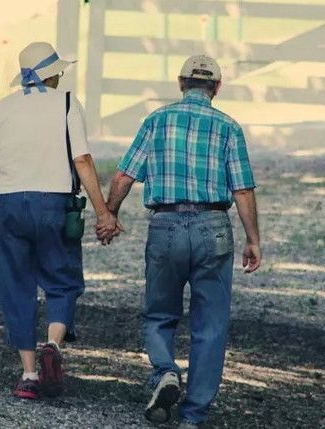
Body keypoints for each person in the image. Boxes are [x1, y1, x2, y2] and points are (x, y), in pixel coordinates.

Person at [104, 54, 261, 428]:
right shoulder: (229, 127)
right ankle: (193, 416)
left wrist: (109, 214)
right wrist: (253, 239)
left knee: (159, 313)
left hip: (166, 224)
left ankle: (164, 373)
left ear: (180, 83)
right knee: (211, 324)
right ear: (217, 88)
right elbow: (242, 190)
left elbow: (124, 176)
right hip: (213, 226)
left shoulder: (156, 121)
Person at [0, 41, 119, 400]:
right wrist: (103, 212)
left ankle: (30, 375)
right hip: (54, 203)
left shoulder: (2, 108)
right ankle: (53, 344)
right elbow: (82, 161)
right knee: (62, 280)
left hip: (7, 206)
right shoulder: (66, 103)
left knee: (16, 286)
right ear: (53, 75)